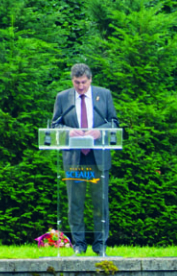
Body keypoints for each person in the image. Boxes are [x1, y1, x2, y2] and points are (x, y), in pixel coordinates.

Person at [51, 63, 118, 257]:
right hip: (75, 157)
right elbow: (55, 125)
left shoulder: (104, 95)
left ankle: (100, 245)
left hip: (98, 157)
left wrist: (101, 131)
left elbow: (114, 122)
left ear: (90, 80)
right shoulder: (63, 98)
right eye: (76, 82)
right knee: (75, 203)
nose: (80, 86)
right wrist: (68, 131)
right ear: (72, 80)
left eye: (83, 82)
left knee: (100, 203)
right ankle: (78, 245)